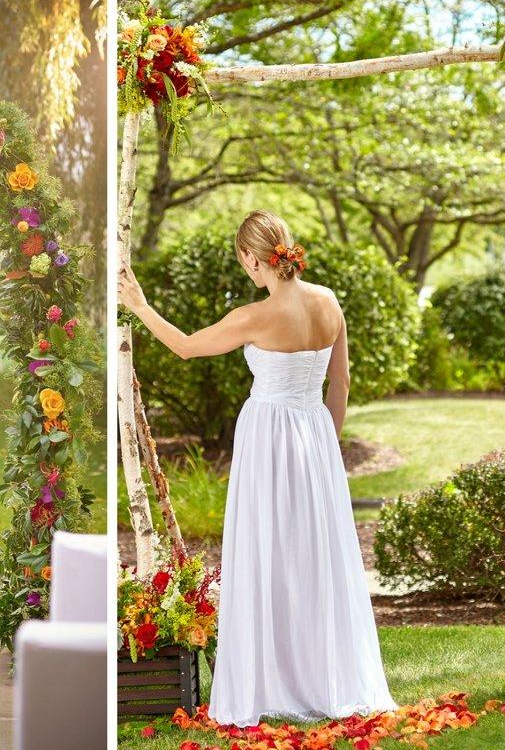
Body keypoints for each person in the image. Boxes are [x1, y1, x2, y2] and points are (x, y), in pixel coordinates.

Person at [118, 210, 396, 727]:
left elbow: (183, 347)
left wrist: (140, 305)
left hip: (268, 438)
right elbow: (341, 386)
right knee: (315, 555)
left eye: (242, 259)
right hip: (316, 434)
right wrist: (327, 448)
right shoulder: (328, 302)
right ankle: (320, 676)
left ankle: (274, 678)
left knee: (267, 551)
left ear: (252, 258)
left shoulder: (255, 316)